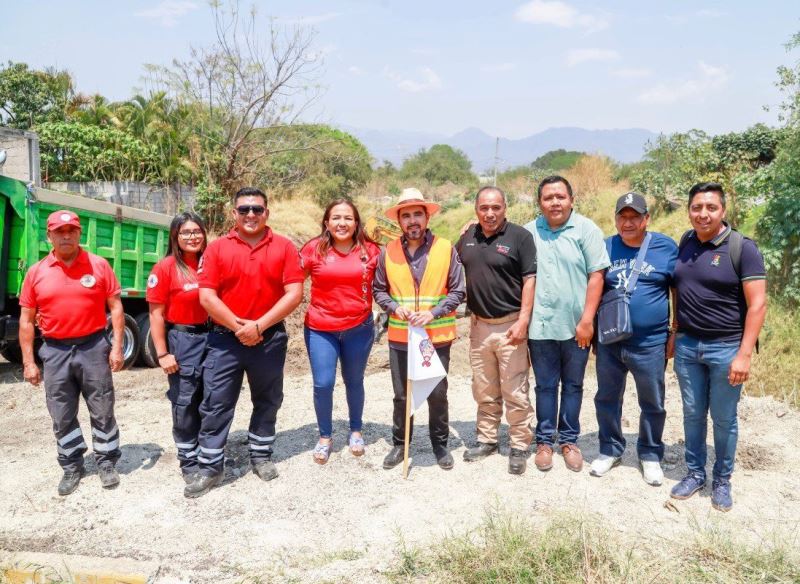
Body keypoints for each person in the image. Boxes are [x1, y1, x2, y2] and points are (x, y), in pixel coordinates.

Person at [187, 187, 304, 498]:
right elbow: (206, 296)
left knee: (268, 399)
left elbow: (295, 294)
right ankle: (210, 467)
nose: (250, 214)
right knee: (216, 403)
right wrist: (238, 327)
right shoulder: (217, 249)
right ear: (233, 213)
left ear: (267, 212)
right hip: (225, 340)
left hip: (269, 338)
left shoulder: (284, 247)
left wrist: (259, 326)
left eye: (257, 209)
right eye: (244, 209)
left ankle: (261, 455)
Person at [670, 182, 767, 512]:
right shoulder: (686, 241)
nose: (703, 214)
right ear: (689, 211)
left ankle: (722, 479)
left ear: (723, 210)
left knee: (724, 418)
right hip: (687, 347)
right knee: (693, 414)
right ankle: (695, 473)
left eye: (711, 207)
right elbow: (679, 290)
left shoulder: (742, 248)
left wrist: (744, 354)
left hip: (726, 348)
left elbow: (758, 305)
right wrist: (675, 330)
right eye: (697, 207)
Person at [19, 210, 124, 496]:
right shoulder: (36, 272)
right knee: (61, 412)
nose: (66, 236)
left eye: (71, 231)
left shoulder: (99, 265)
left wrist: (116, 347)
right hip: (55, 350)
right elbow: (27, 320)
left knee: (102, 407)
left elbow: (115, 307)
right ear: (49, 236)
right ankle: (72, 465)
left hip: (93, 347)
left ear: (79, 234)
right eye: (59, 231)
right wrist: (28, 362)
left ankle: (106, 461)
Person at [373, 188, 465, 471]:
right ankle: (401, 444)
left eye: (417, 214)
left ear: (427, 217)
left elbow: (458, 291)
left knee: (437, 392)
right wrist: (393, 308)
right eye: (406, 216)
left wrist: (433, 313)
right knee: (403, 395)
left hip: (436, 336)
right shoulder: (387, 252)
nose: (412, 220)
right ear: (399, 221)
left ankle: (440, 444)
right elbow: (379, 290)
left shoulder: (445, 248)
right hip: (402, 337)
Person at [590, 192, 678, 486]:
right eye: (622, 217)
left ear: (646, 219)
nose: (628, 223)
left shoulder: (665, 247)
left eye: (634, 217)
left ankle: (650, 453)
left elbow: (677, 289)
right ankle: (610, 449)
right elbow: (595, 286)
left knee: (652, 401)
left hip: (650, 343)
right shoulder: (605, 246)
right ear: (615, 219)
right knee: (606, 397)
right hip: (610, 341)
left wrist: (675, 330)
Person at [525, 176, 609, 473]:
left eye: (560, 197)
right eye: (548, 198)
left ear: (572, 200)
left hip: (577, 328)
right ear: (540, 203)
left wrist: (587, 320)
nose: (555, 202)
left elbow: (597, 275)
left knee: (573, 386)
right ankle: (545, 441)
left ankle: (569, 440)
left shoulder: (586, 230)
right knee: (545, 386)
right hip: (540, 327)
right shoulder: (528, 232)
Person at [456, 186, 536, 475]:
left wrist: (523, 320)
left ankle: (519, 444)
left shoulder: (520, 237)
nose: (490, 213)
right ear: (476, 209)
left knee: (514, 388)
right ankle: (487, 439)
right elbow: (451, 267)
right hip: (479, 326)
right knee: (484, 387)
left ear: (505, 208)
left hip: (510, 326)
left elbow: (530, 280)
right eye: (484, 208)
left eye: (496, 207)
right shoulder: (468, 236)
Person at [300, 198, 380, 464]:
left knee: (354, 380)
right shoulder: (313, 249)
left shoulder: (371, 251)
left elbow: (391, 278)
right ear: (326, 222)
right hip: (321, 329)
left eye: (348, 218)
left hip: (359, 328)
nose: (342, 223)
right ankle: (325, 436)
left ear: (356, 222)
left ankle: (356, 430)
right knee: (323, 384)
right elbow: (290, 280)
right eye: (336, 217)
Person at [147, 212, 209, 485]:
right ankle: (188, 459)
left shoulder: (210, 263)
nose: (192, 237)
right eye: (186, 232)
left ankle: (208, 454)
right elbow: (156, 315)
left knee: (212, 399)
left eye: (197, 231)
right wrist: (162, 353)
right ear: (175, 236)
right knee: (185, 400)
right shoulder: (165, 268)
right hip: (183, 340)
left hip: (213, 337)